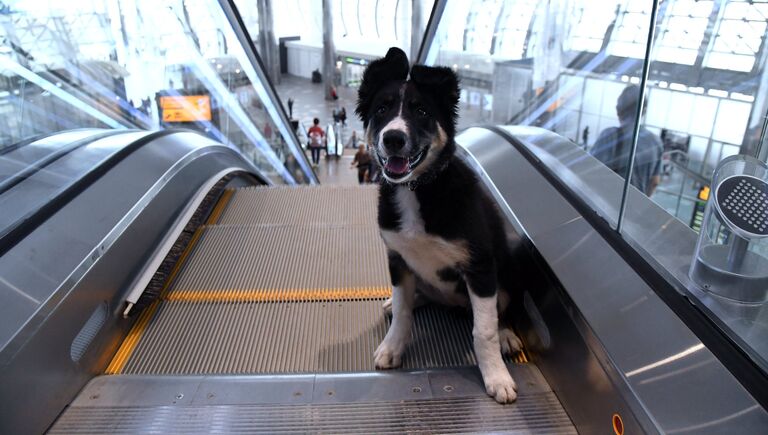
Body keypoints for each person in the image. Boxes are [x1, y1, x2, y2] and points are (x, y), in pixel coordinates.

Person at [590, 85, 663, 197]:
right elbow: (654, 182)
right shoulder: (656, 142)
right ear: (643, 111)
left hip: (607, 203)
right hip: (635, 208)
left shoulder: (609, 136)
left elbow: (589, 171)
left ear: (619, 110)